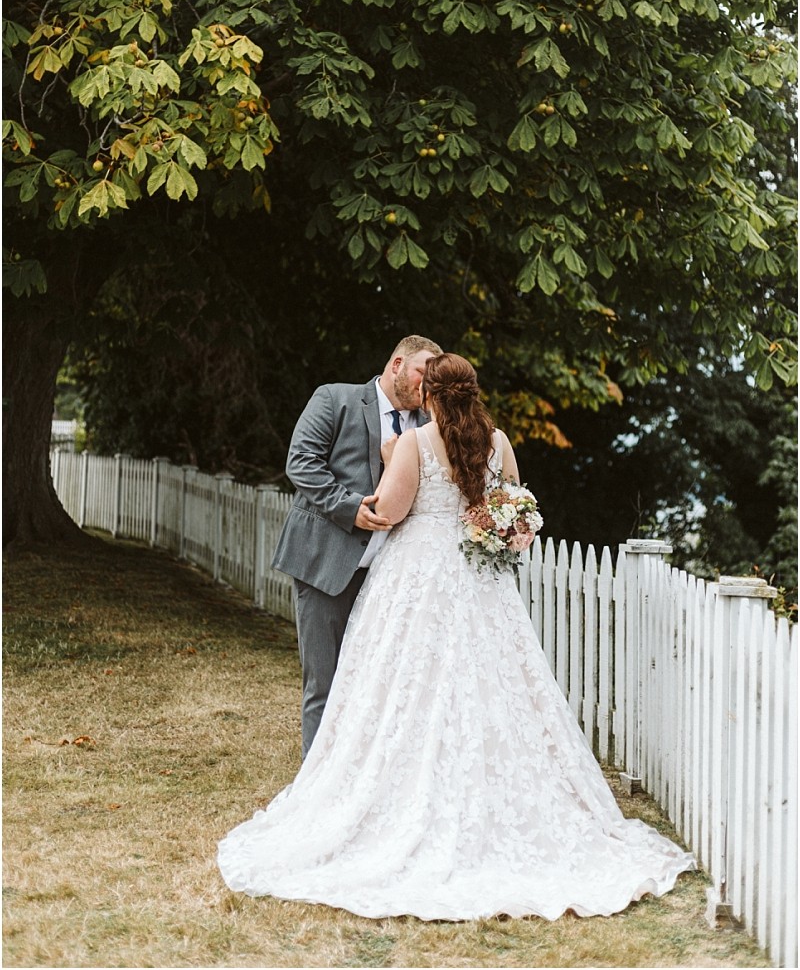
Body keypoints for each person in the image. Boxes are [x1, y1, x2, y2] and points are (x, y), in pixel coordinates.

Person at [219, 353, 695, 921]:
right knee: (486, 688)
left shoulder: (417, 443)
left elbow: (392, 513)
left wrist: (394, 459)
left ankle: (378, 798)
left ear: (430, 395)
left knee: (399, 687)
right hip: (480, 587)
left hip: (418, 583)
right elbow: (511, 503)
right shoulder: (498, 442)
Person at [271, 334, 442, 757]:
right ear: (398, 364)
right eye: (424, 372)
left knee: (376, 687)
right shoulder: (334, 399)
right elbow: (301, 463)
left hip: (392, 578)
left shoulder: (427, 428)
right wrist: (350, 508)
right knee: (324, 683)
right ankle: (315, 781)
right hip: (327, 564)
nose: (428, 385)